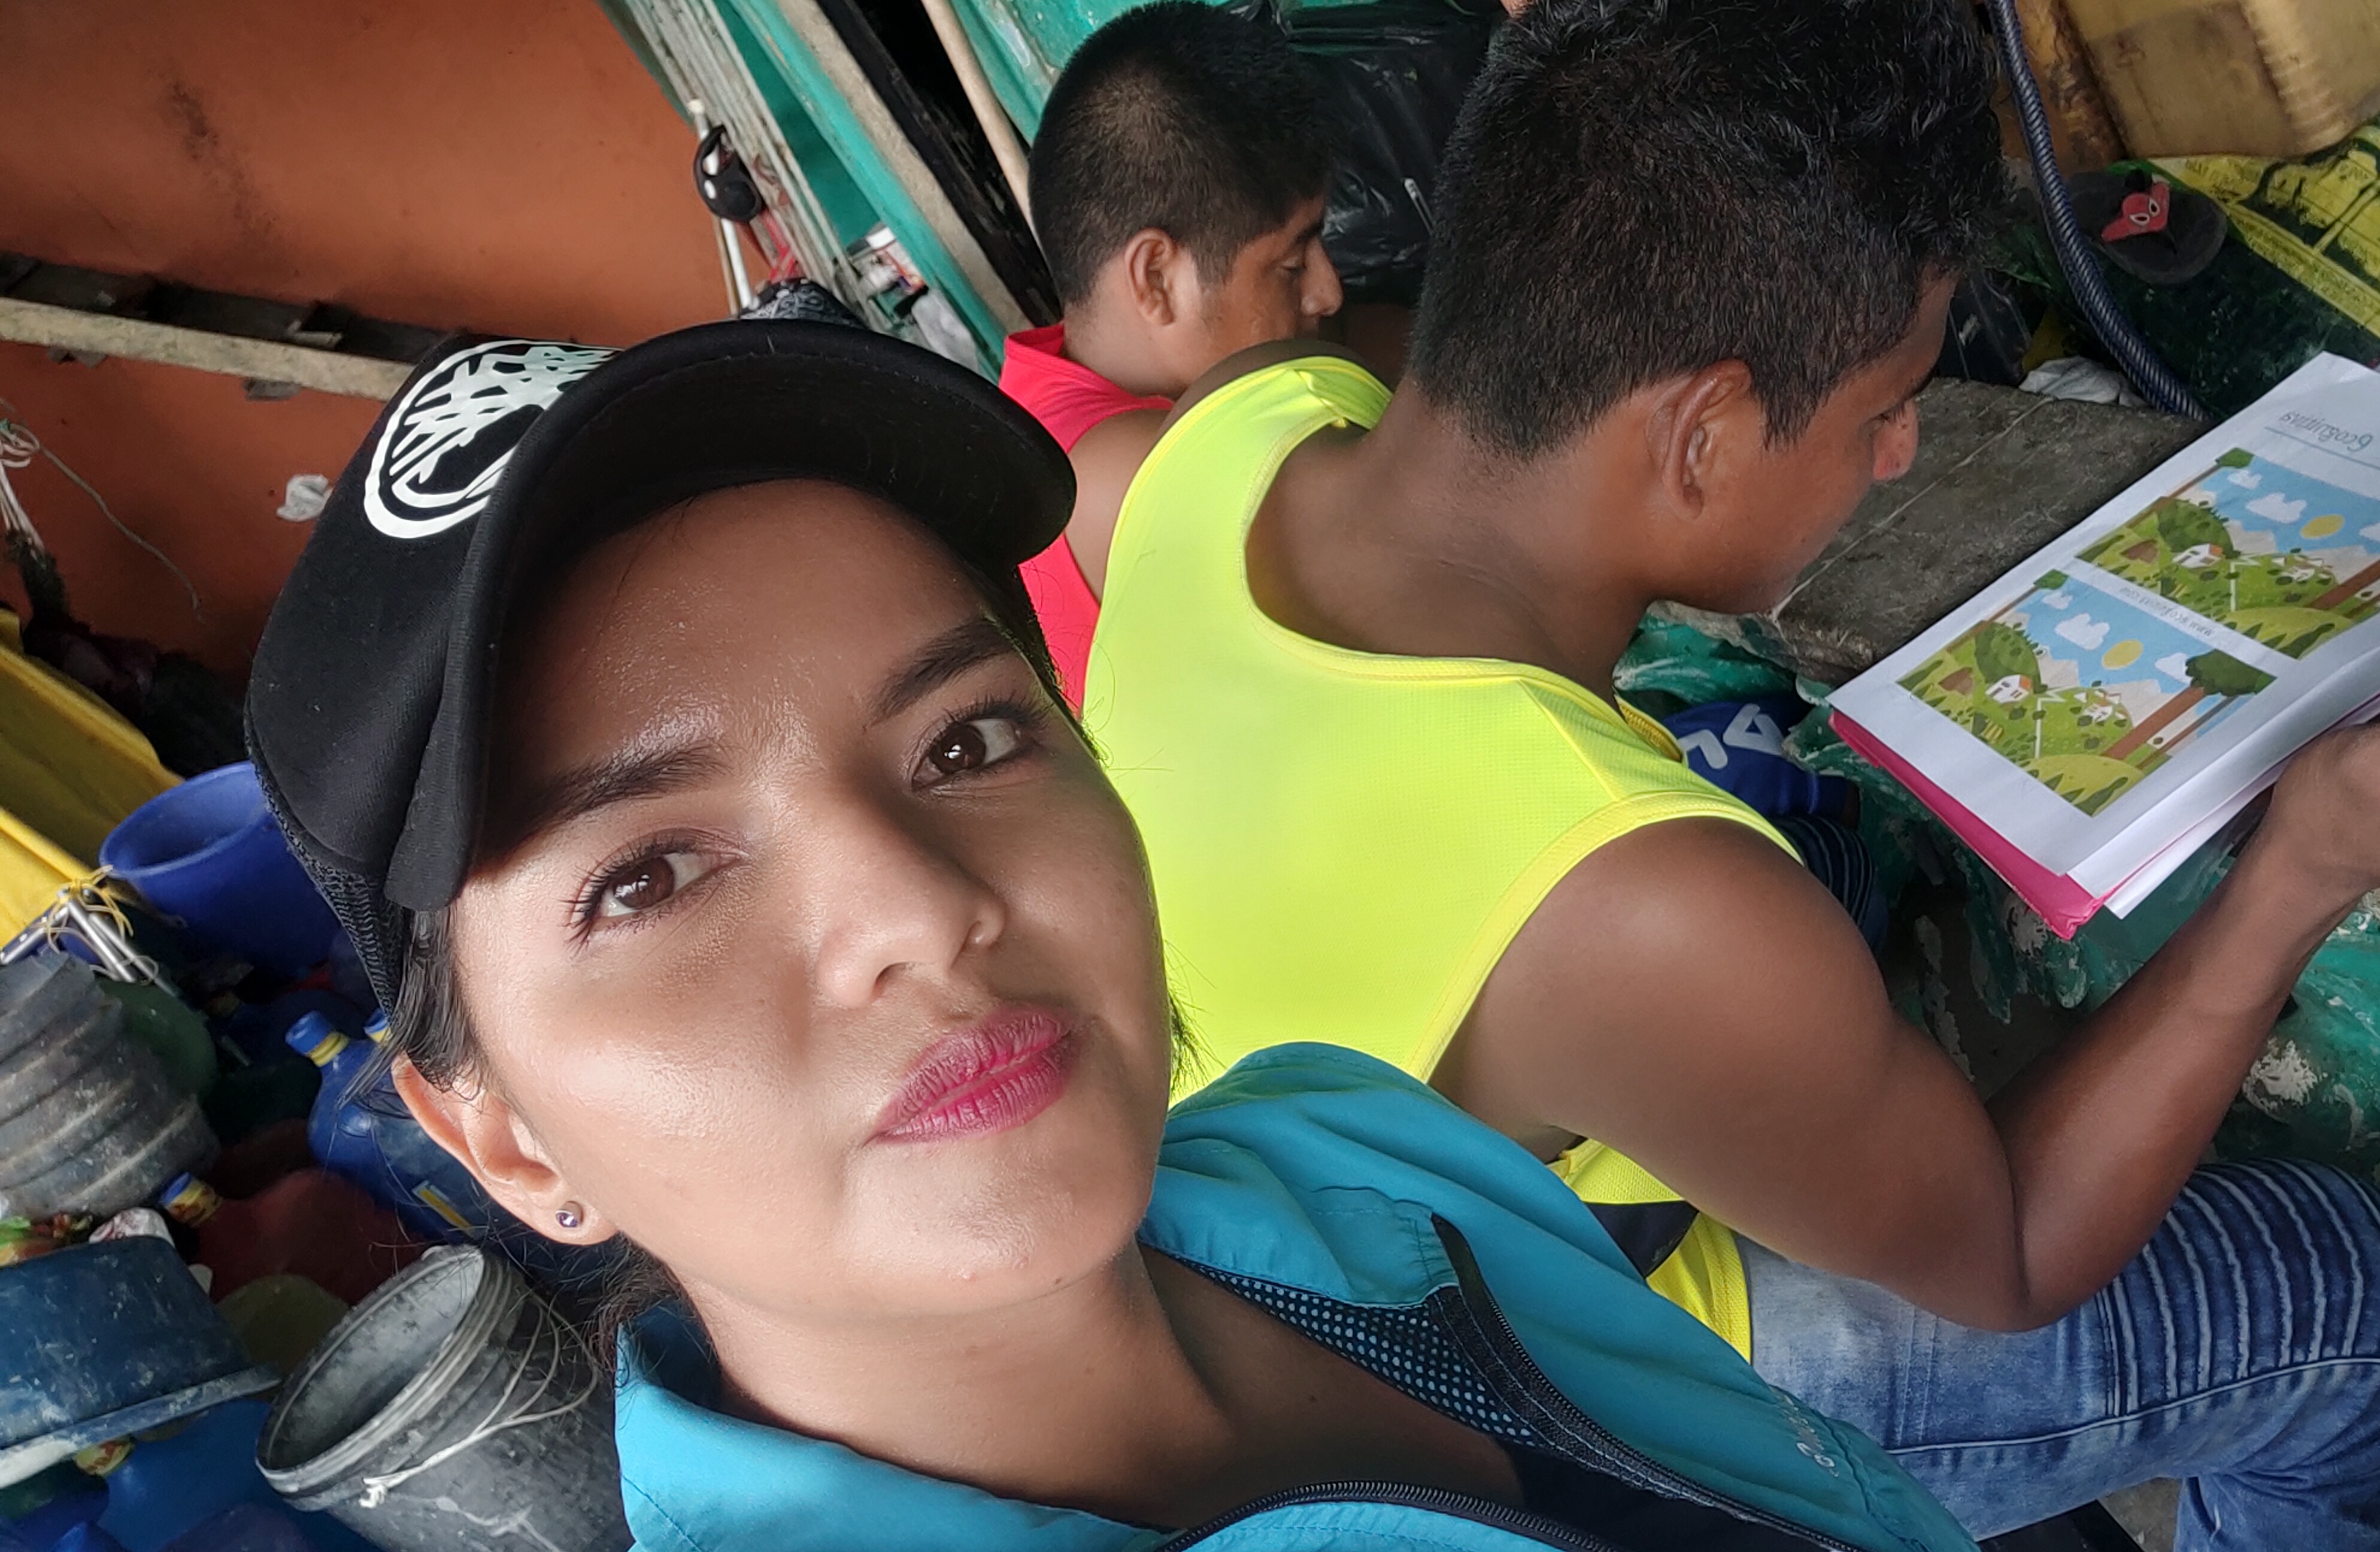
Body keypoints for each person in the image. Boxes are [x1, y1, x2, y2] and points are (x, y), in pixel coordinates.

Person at [1078, 0, 2380, 1544]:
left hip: (1260, 1247)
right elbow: (2012, 1255)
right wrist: (2309, 863)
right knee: (2360, 1298)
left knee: (1832, 872)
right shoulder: (1637, 903)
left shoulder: (1224, 436)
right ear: (1701, 434)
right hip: (1556, 1385)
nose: (1897, 454)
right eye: (1882, 409)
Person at [241, 320, 1980, 1552]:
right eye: (648, 877)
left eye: (967, 741)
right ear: (502, 1136)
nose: (923, 908)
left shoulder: (1340, 1145)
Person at [1006, 0, 1342, 705]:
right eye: (1291, 264)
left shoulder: (1040, 395)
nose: (1327, 292)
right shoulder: (1135, 478)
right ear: (1156, 278)